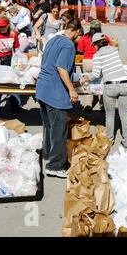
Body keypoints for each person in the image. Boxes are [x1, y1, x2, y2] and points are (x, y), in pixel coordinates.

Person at [36, 19, 82, 178]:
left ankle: (49, 155)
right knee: (58, 130)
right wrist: (71, 89)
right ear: (77, 31)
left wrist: (70, 79)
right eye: (79, 35)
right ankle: (55, 166)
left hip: (42, 89)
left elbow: (48, 62)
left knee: (49, 126)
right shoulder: (68, 45)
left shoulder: (53, 39)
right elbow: (61, 68)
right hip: (55, 92)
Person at [79, 33, 127, 148]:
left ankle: (109, 140)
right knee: (124, 114)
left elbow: (96, 74)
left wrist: (83, 80)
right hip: (124, 84)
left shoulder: (97, 55)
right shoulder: (114, 50)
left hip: (110, 86)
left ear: (97, 44)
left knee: (110, 115)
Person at [76, 20, 108, 112]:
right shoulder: (103, 37)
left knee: (87, 82)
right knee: (101, 82)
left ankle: (88, 104)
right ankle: (102, 105)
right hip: (99, 61)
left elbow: (79, 49)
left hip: (87, 61)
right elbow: (108, 46)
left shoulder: (85, 37)